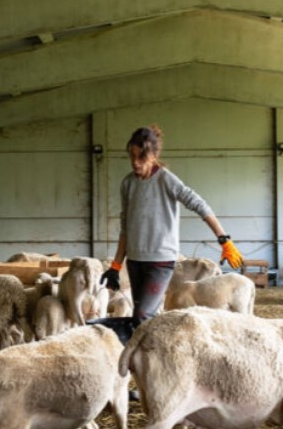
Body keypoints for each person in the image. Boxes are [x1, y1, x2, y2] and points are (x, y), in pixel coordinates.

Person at [101, 125, 243, 324]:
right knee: (142, 317)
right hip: (134, 261)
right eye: (132, 156)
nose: (135, 163)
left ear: (154, 155)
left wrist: (224, 240)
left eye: (141, 157)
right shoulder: (128, 184)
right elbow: (126, 226)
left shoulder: (166, 180)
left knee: (143, 315)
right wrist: (116, 265)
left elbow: (198, 204)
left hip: (160, 261)